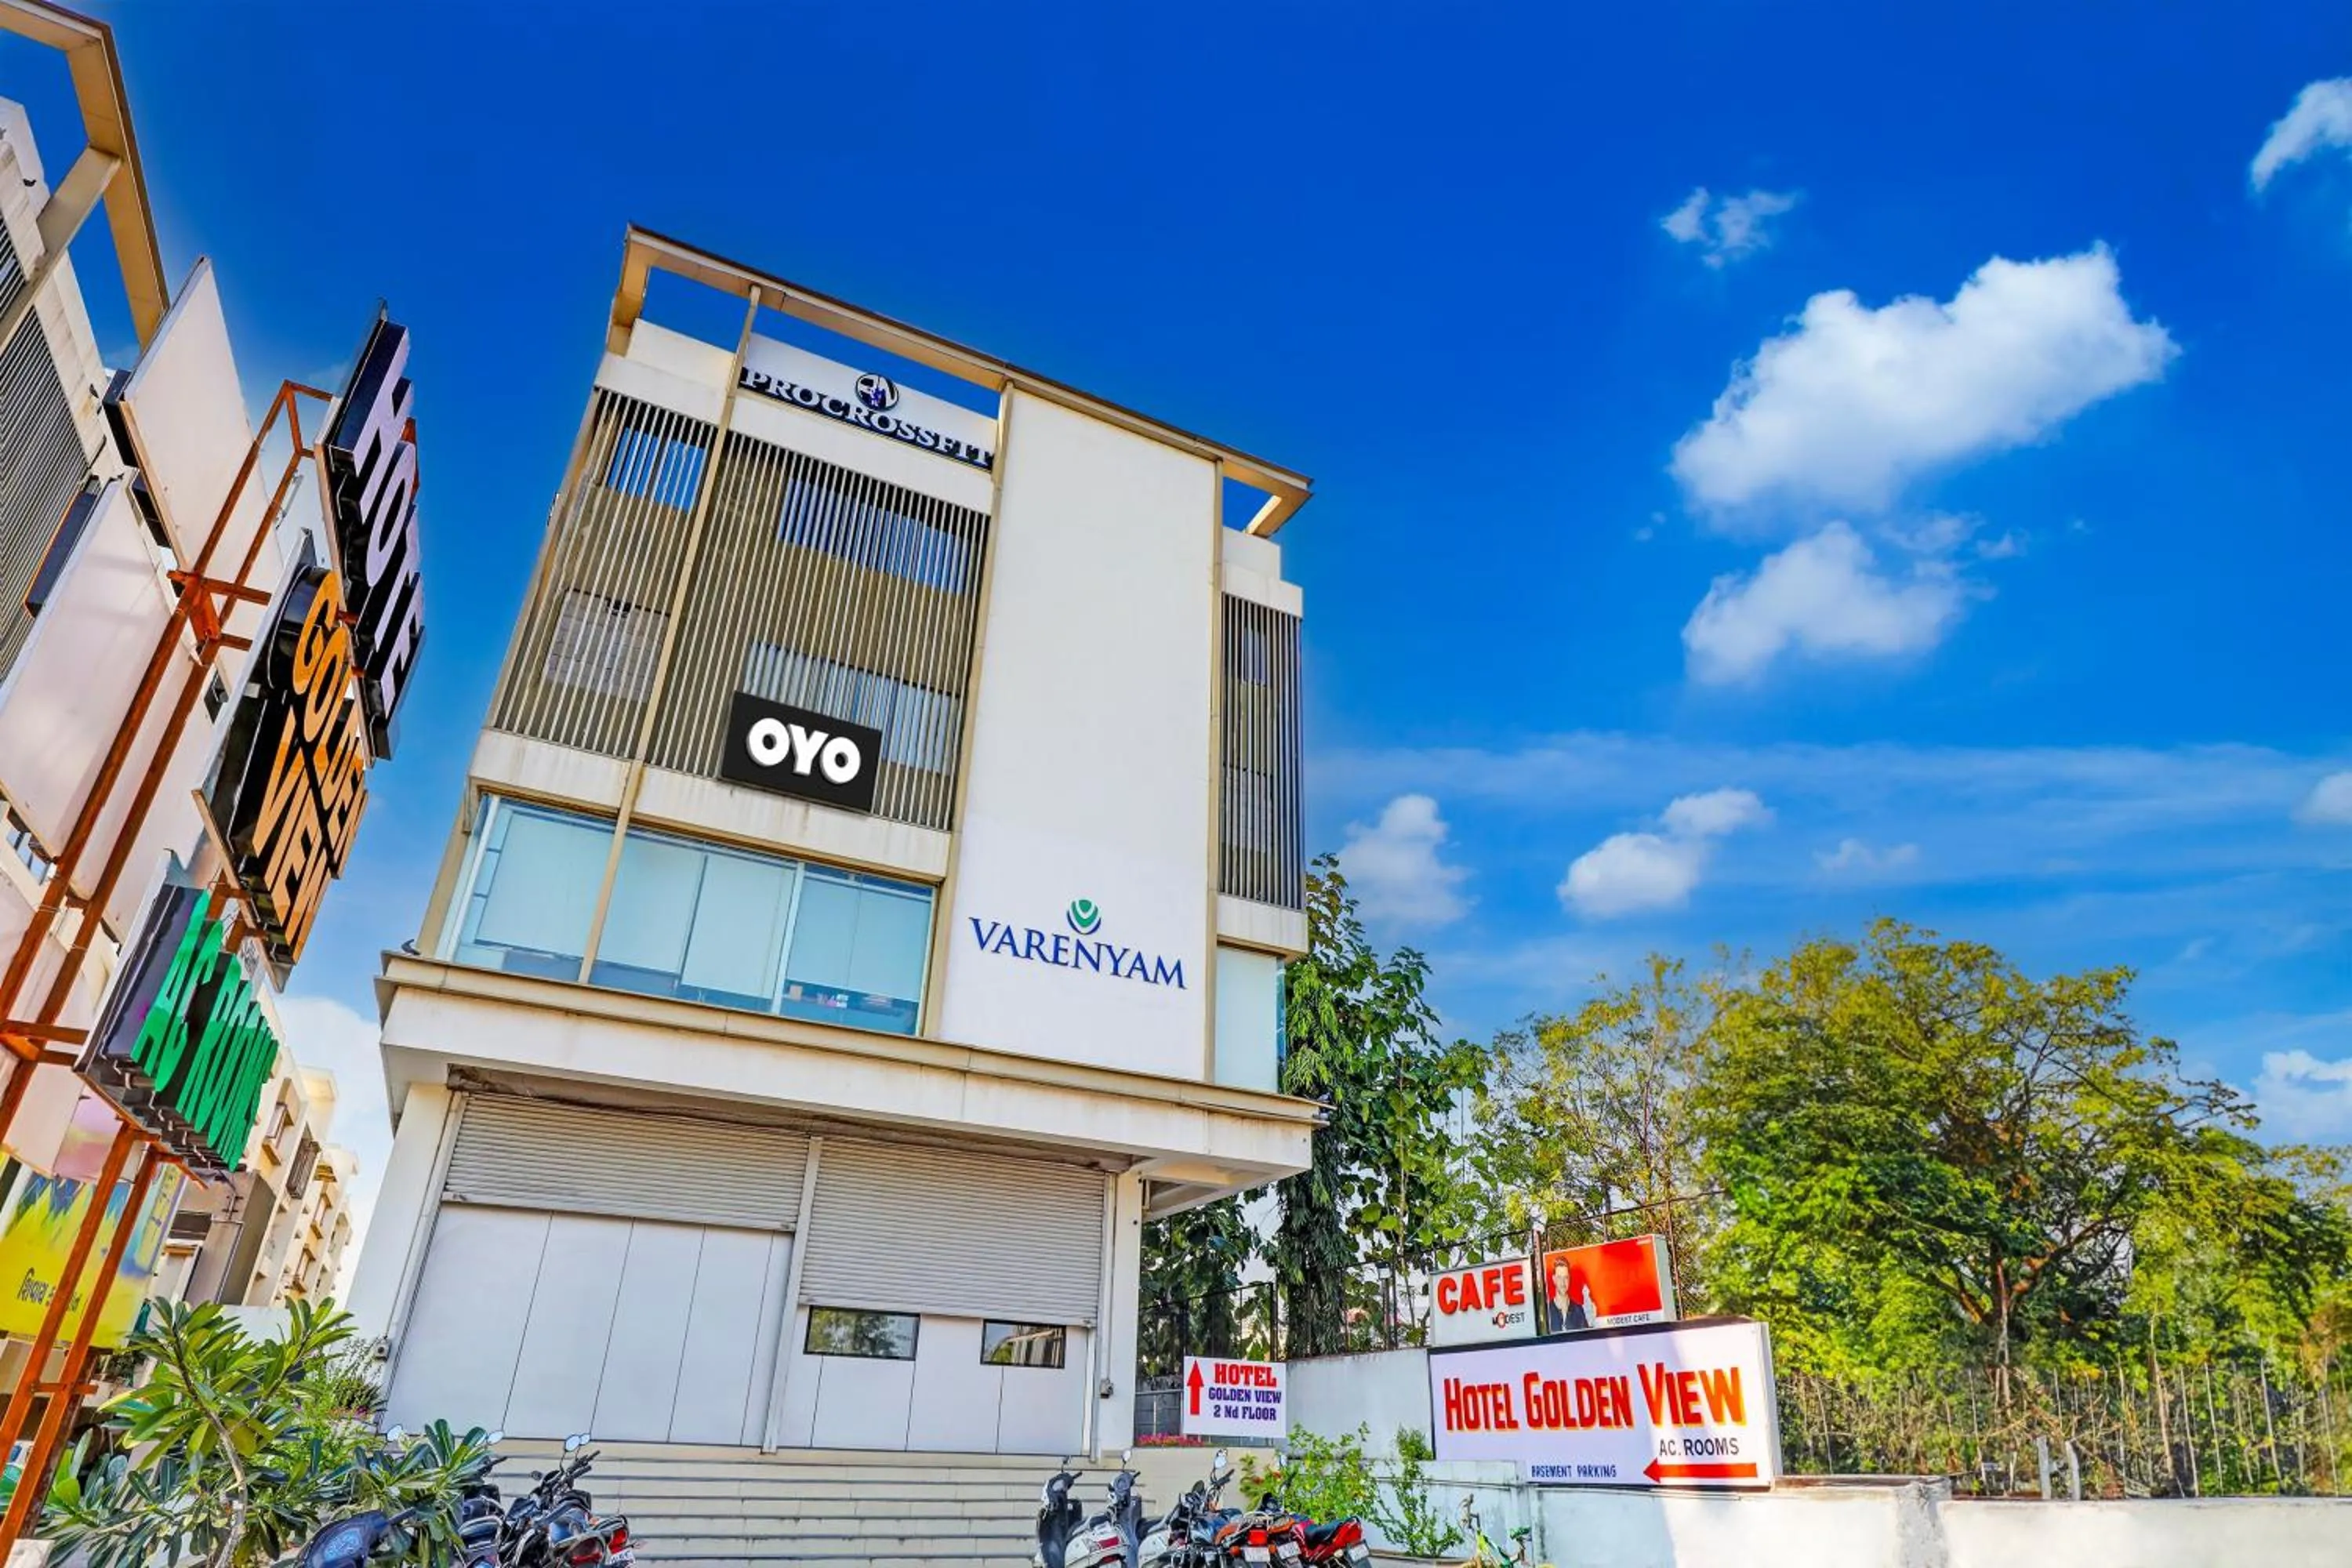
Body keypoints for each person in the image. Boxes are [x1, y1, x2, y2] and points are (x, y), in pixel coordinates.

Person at [1545, 1256, 1590, 1333]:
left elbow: (1586, 1339)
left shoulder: (1578, 1310)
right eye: (1559, 1278)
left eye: (1565, 1277)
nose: (1563, 1283)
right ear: (1554, 1279)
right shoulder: (1547, 1311)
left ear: (1569, 1279)